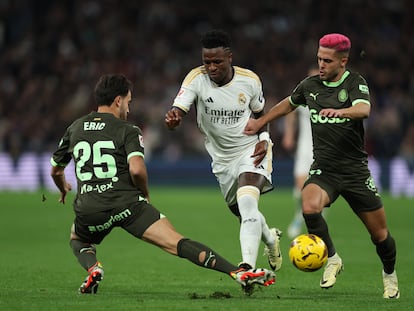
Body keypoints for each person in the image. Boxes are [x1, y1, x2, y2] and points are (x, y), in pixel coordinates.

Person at [50, 74, 275, 295]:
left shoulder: (75, 127)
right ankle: (237, 273)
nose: (128, 108)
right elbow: (137, 169)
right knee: (177, 243)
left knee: (78, 239)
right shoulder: (127, 130)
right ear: (118, 100)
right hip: (127, 205)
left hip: (89, 207)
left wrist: (63, 188)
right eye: (128, 101)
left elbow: (56, 169)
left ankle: (93, 268)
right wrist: (144, 194)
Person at [244, 33, 399, 299]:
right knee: (309, 206)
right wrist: (260, 122)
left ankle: (389, 275)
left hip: (355, 172)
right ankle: (333, 258)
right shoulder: (310, 85)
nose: (321, 64)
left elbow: (364, 109)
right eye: (319, 59)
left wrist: (341, 112)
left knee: (380, 235)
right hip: (324, 169)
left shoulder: (354, 83)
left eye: (327, 60)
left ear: (343, 61)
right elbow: (286, 105)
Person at [164, 29, 282, 294]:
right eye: (207, 62)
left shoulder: (249, 81)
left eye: (217, 61)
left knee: (248, 201)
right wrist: (173, 119)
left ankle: (247, 268)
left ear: (230, 57)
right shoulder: (196, 78)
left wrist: (264, 138)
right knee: (243, 213)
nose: (211, 67)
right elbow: (179, 108)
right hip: (221, 160)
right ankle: (271, 238)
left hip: (251, 149)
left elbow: (260, 114)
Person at [282, 68, 322, 239]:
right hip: (304, 149)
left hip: (322, 150)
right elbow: (290, 111)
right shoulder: (304, 93)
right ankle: (301, 215)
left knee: (317, 189)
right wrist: (289, 133)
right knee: (299, 191)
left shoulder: (329, 97)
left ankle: (308, 220)